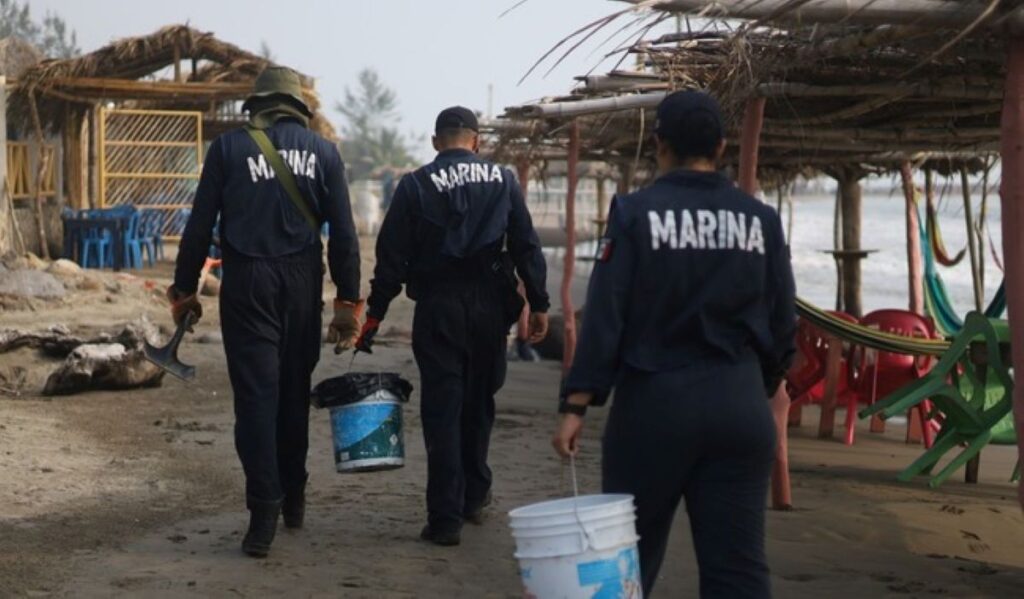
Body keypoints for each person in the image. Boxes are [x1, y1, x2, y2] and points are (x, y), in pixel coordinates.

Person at [552, 90, 796, 597]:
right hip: (739, 407)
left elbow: (606, 314)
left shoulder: (635, 214)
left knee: (627, 563)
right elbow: (782, 320)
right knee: (739, 570)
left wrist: (578, 402)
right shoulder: (763, 221)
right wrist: (760, 382)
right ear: (723, 146)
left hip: (654, 408)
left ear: (658, 144)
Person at [168, 66, 362, 558]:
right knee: (293, 392)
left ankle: (263, 512)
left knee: (256, 398)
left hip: (247, 281)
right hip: (302, 282)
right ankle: (293, 495)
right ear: (298, 108)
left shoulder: (229, 150)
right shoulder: (325, 153)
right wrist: (346, 304)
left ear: (256, 105)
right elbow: (344, 234)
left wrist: (184, 290)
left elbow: (198, 226)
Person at [357, 106, 550, 546]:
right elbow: (525, 243)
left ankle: (445, 518)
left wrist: (375, 315)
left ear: (435, 142)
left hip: (439, 306)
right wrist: (539, 303)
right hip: (488, 306)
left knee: (442, 409)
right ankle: (474, 495)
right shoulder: (503, 181)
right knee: (480, 402)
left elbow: (391, 257)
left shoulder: (414, 185)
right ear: (477, 141)